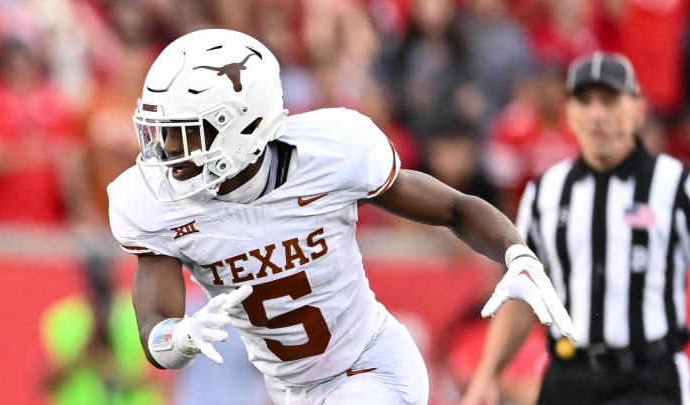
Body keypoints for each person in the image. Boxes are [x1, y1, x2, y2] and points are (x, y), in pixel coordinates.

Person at [107, 28, 576, 405]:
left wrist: (517, 253)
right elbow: (154, 327)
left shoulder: (332, 153)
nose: (164, 151)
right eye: (161, 132)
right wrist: (180, 337)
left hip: (372, 366)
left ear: (241, 127)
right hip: (290, 391)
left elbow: (454, 207)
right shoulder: (153, 204)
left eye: (183, 135)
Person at [461, 52, 690, 405]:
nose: (597, 113)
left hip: (648, 379)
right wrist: (487, 375)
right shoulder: (545, 192)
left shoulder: (675, 186)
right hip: (568, 378)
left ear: (637, 109)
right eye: (585, 101)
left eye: (610, 99)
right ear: (570, 112)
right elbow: (523, 290)